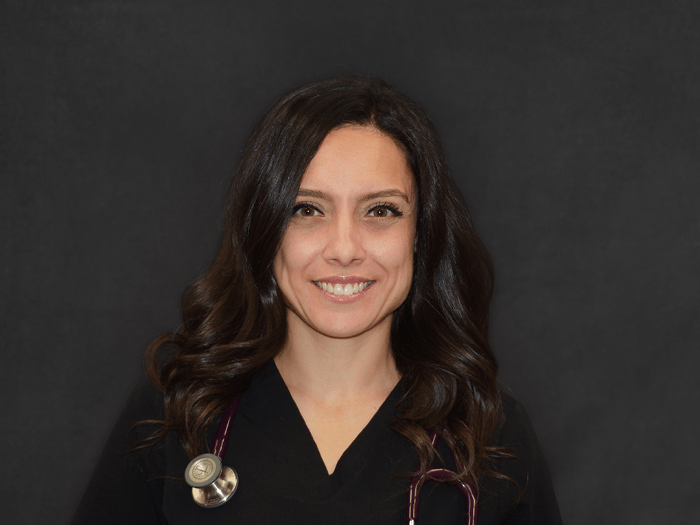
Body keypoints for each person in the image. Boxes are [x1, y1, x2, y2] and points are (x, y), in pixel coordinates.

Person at [72, 76, 562, 524]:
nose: (344, 248)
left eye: (381, 211)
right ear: (265, 229)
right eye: (307, 210)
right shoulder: (178, 410)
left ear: (421, 234)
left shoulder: (490, 434)